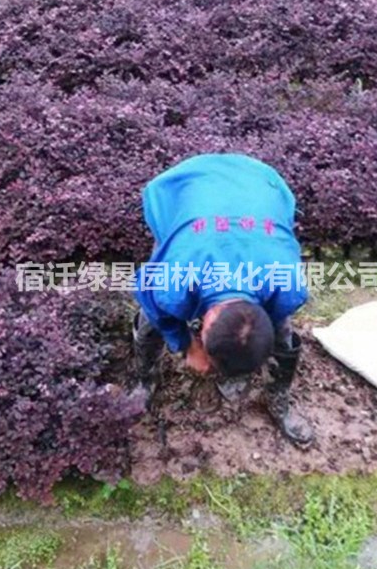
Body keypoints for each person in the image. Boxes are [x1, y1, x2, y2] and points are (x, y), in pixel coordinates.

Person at [132, 153, 314, 447]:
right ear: (205, 324)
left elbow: (272, 326)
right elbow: (150, 300)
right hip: (185, 191)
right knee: (151, 321)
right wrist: (185, 345)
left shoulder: (287, 284)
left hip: (261, 184)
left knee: (285, 335)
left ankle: (278, 397)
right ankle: (144, 380)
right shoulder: (173, 280)